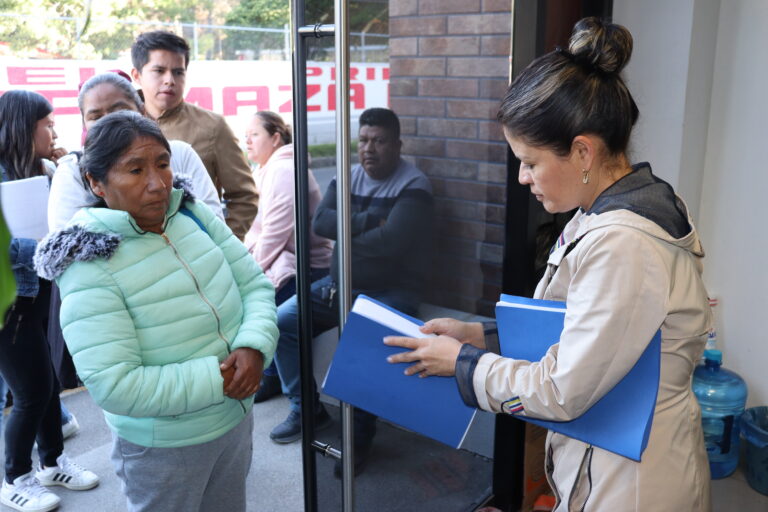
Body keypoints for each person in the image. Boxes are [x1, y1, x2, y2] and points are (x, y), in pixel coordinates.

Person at [384, 17, 711, 512]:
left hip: (635, 483)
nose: (522, 177)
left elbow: (562, 393)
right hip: (615, 457)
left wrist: (463, 365)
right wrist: (480, 336)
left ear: (582, 150)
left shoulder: (622, 242)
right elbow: (580, 330)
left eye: (530, 162)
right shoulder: (613, 208)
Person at [34, 110, 278, 512]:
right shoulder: (89, 262)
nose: (158, 183)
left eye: (163, 164)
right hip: (165, 447)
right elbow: (116, 384)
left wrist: (253, 347)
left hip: (235, 419)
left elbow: (253, 284)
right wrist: (222, 379)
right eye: (135, 170)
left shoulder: (191, 214)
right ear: (96, 183)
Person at [271, 108, 434, 477]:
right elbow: (320, 223)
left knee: (361, 345)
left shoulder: (415, 186)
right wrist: (366, 222)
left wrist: (347, 234)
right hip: (338, 286)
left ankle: (358, 439)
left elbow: (391, 243)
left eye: (379, 141)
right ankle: (306, 407)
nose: (369, 149)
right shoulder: (348, 176)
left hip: (391, 292)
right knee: (283, 322)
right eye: (363, 140)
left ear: (397, 145)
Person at [0, 90, 99, 512]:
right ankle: (14, 478)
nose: (54, 130)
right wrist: (43, 245)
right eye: (47, 124)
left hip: (38, 292)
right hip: (8, 304)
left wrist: (61, 170)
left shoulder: (45, 169)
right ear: (26, 128)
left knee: (47, 384)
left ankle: (53, 462)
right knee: (30, 392)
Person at [48, 71, 223, 232]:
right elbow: (72, 246)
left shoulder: (180, 153)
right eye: (96, 117)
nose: (110, 123)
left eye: (120, 111)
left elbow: (213, 226)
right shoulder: (72, 171)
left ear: (141, 111)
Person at [131, 30, 258, 240]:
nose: (169, 80)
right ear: (137, 75)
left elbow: (244, 195)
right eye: (159, 71)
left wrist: (224, 244)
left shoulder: (213, 127)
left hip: (199, 254)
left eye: (178, 72)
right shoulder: (118, 125)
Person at [243, 111, 332, 402]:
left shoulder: (284, 170)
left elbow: (274, 235)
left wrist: (245, 274)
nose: (247, 140)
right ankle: (271, 375)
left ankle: (279, 384)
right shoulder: (268, 169)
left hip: (311, 268)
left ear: (276, 138)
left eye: (254, 134)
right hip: (289, 260)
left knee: (262, 302)